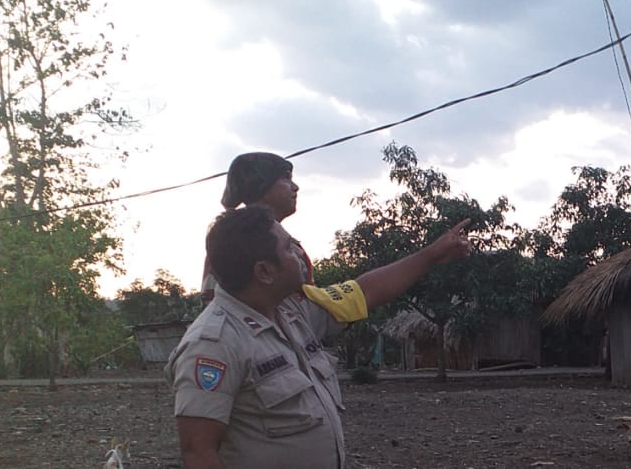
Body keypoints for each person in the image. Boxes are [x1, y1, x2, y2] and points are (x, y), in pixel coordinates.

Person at [168, 205, 471, 468]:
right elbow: (198, 452)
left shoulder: (292, 312)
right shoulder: (214, 344)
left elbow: (364, 291)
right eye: (288, 248)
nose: (299, 254)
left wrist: (432, 254)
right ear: (264, 272)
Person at [200, 152, 305, 303]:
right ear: (261, 186)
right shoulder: (236, 244)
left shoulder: (280, 241)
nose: (295, 187)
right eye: (285, 178)